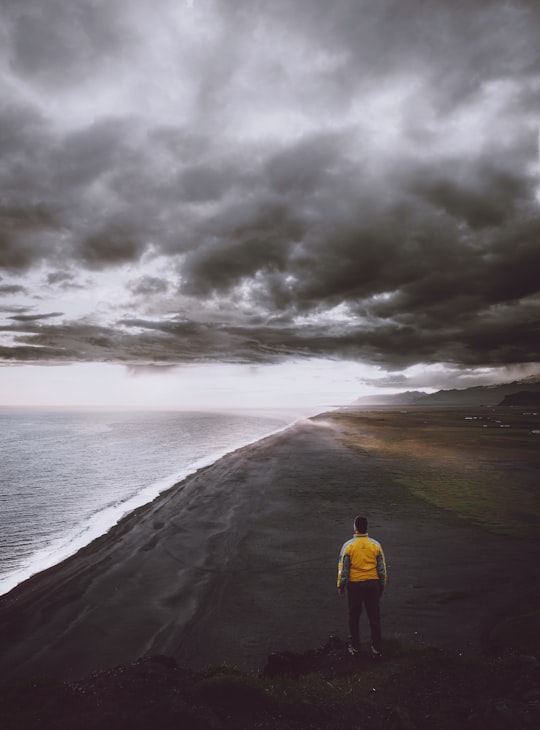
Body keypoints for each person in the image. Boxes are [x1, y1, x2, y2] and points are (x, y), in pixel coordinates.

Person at [337, 515, 387, 658]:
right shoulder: (375, 545)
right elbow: (382, 569)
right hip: (373, 585)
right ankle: (376, 649)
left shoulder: (348, 546)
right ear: (367, 528)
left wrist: (341, 586)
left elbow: (343, 569)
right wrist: (381, 586)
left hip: (355, 586)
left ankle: (355, 647)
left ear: (355, 528)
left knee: (354, 617)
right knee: (374, 617)